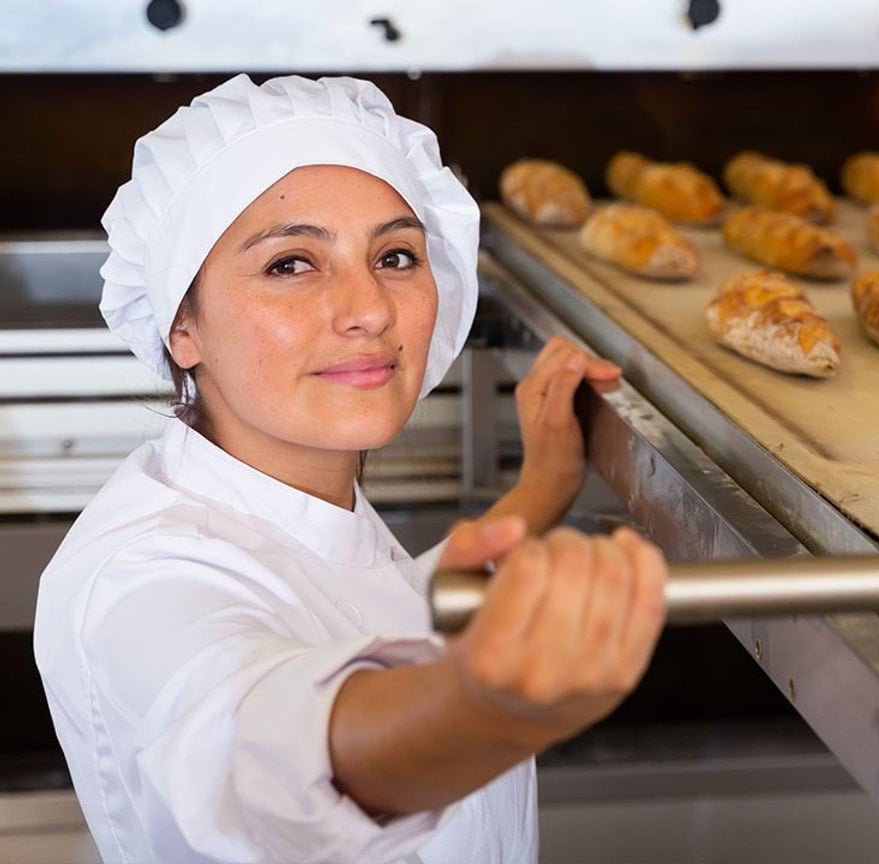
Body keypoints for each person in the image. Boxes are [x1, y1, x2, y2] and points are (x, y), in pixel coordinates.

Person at [32, 73, 667, 864]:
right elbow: (268, 749)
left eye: (396, 255)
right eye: (292, 264)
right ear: (181, 327)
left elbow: (373, 616)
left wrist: (538, 494)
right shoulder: (140, 578)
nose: (369, 307)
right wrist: (485, 704)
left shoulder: (301, 513)